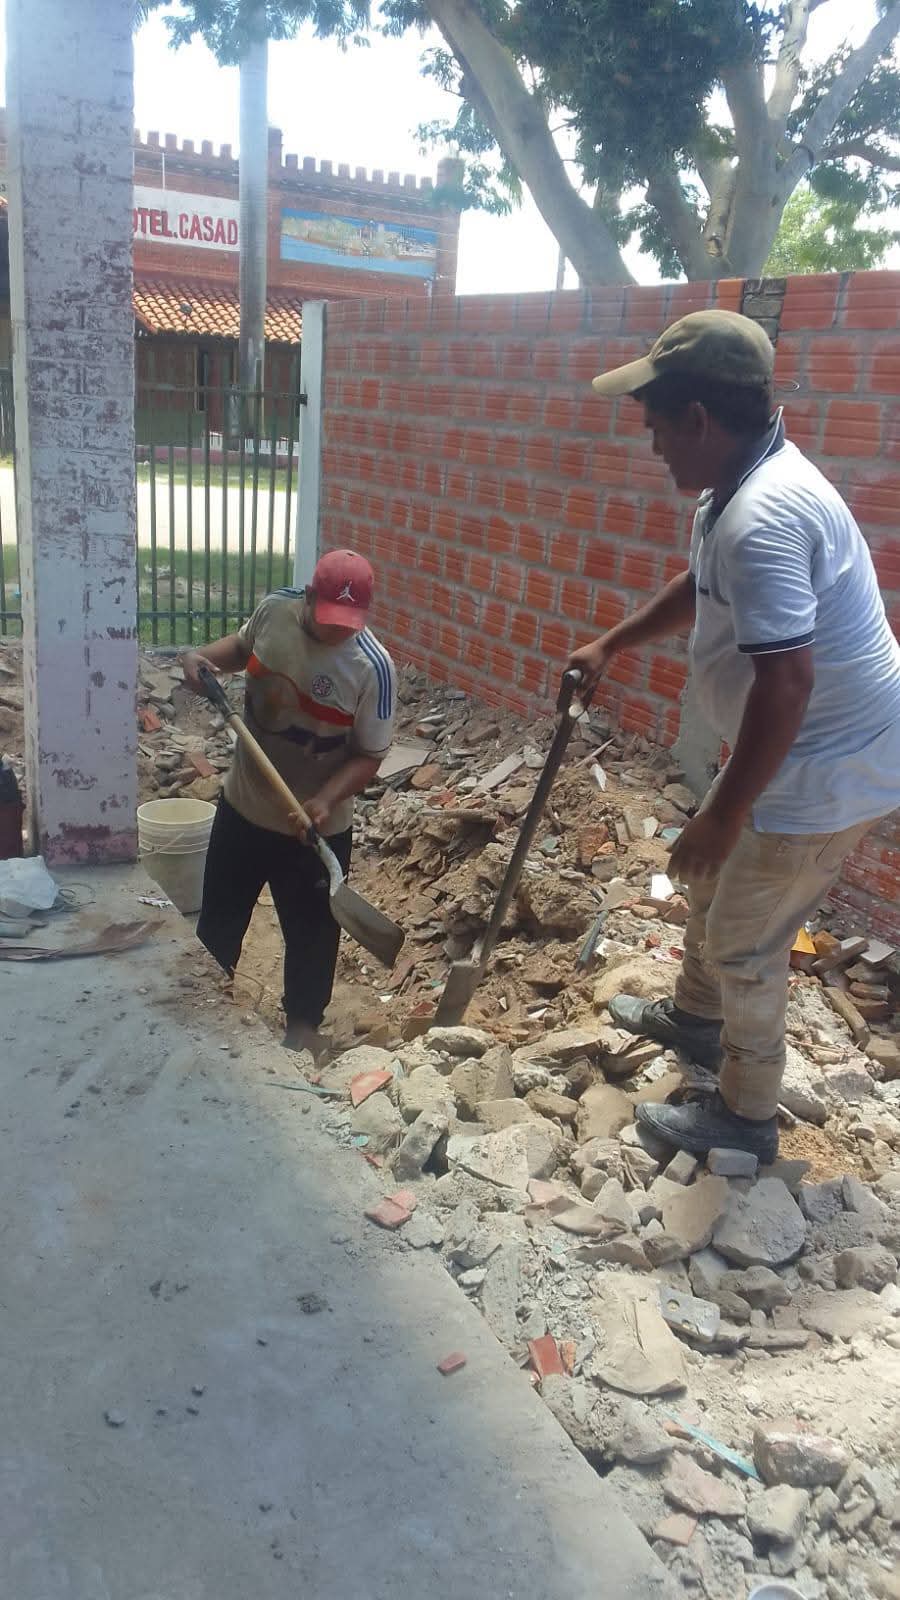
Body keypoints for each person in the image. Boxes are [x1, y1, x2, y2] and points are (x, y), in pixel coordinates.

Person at [571, 309, 900, 1162]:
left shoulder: (765, 517)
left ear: (698, 419)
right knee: (711, 880)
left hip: (829, 767)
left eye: (656, 427)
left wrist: (722, 813)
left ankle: (746, 1119)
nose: (651, 446)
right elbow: (703, 584)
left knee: (748, 939)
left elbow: (788, 685)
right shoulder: (734, 490)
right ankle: (696, 1019)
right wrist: (612, 644)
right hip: (798, 747)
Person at [182, 549, 396, 1056]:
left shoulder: (372, 669)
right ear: (309, 596)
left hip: (315, 829)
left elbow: (370, 755)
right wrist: (202, 659)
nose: (338, 631)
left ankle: (303, 1027)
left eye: (349, 623)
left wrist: (324, 800)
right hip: (244, 807)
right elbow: (241, 648)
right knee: (219, 920)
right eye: (329, 618)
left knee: (313, 936)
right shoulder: (275, 610)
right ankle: (204, 1012)